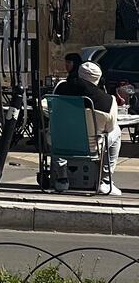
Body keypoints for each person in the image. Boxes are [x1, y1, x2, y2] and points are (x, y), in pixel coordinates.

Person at [51, 58, 120, 194]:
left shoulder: (60, 89)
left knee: (57, 132)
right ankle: (105, 180)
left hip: (61, 144)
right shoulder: (108, 101)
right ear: (99, 79)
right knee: (116, 131)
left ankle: (61, 178)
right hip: (91, 146)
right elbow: (109, 128)